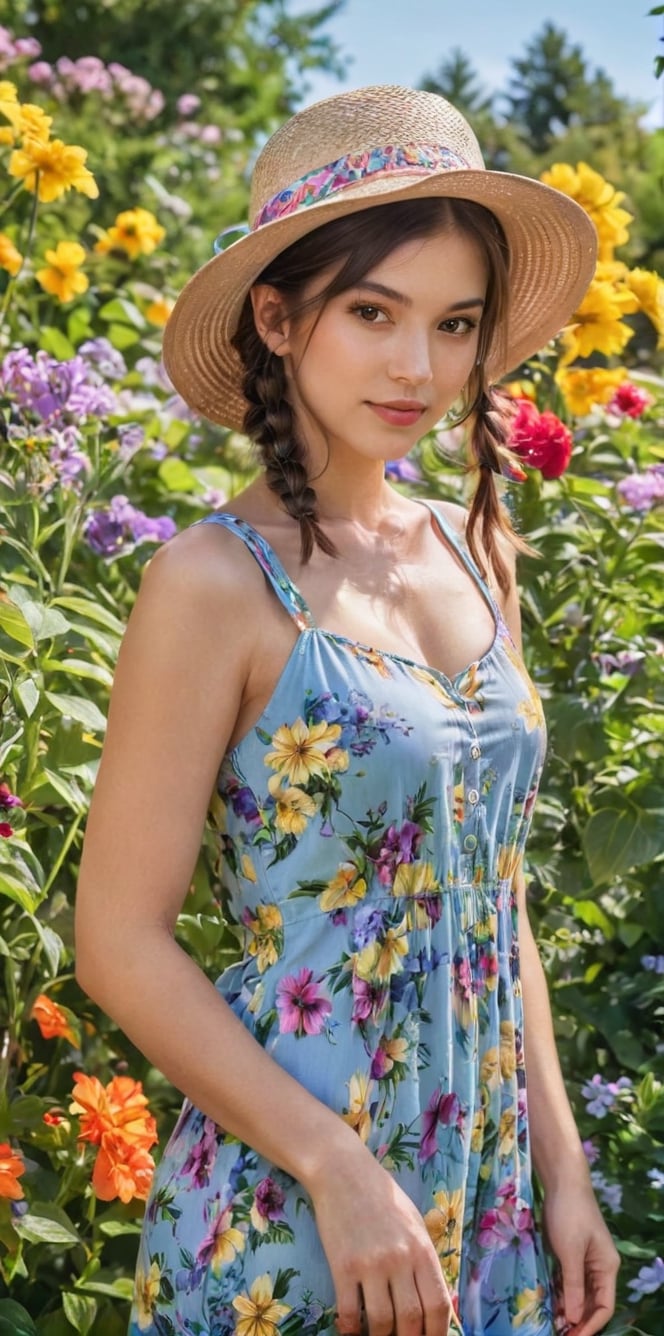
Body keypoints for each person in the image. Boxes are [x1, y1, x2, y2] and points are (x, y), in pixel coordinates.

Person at [75, 84, 620, 1336]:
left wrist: (562, 1168)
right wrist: (333, 1165)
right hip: (301, 1202)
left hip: (483, 1198)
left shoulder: (477, 545)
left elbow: (500, 885)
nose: (416, 366)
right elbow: (117, 939)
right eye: (372, 312)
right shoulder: (213, 581)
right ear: (277, 316)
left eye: (454, 322)